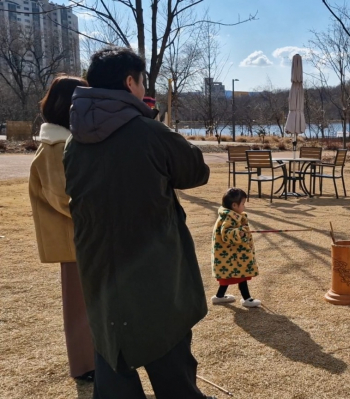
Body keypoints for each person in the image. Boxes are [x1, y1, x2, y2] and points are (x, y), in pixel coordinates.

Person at [64, 47, 213, 398]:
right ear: (130, 82)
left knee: (112, 357)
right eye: (142, 80)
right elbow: (196, 170)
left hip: (98, 270)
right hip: (151, 268)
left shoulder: (74, 141)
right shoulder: (147, 132)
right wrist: (153, 121)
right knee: (170, 360)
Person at [29, 75, 95, 382]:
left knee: (85, 304)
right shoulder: (55, 145)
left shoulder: (60, 142)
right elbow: (63, 197)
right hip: (75, 239)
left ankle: (89, 362)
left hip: (79, 238)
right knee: (79, 306)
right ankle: (84, 366)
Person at [211, 188, 261, 307]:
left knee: (229, 277)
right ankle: (247, 299)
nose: (244, 206)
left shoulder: (231, 216)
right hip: (232, 256)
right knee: (240, 275)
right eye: (243, 204)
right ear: (234, 205)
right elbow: (226, 234)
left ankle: (219, 296)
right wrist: (240, 233)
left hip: (232, 256)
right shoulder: (229, 218)